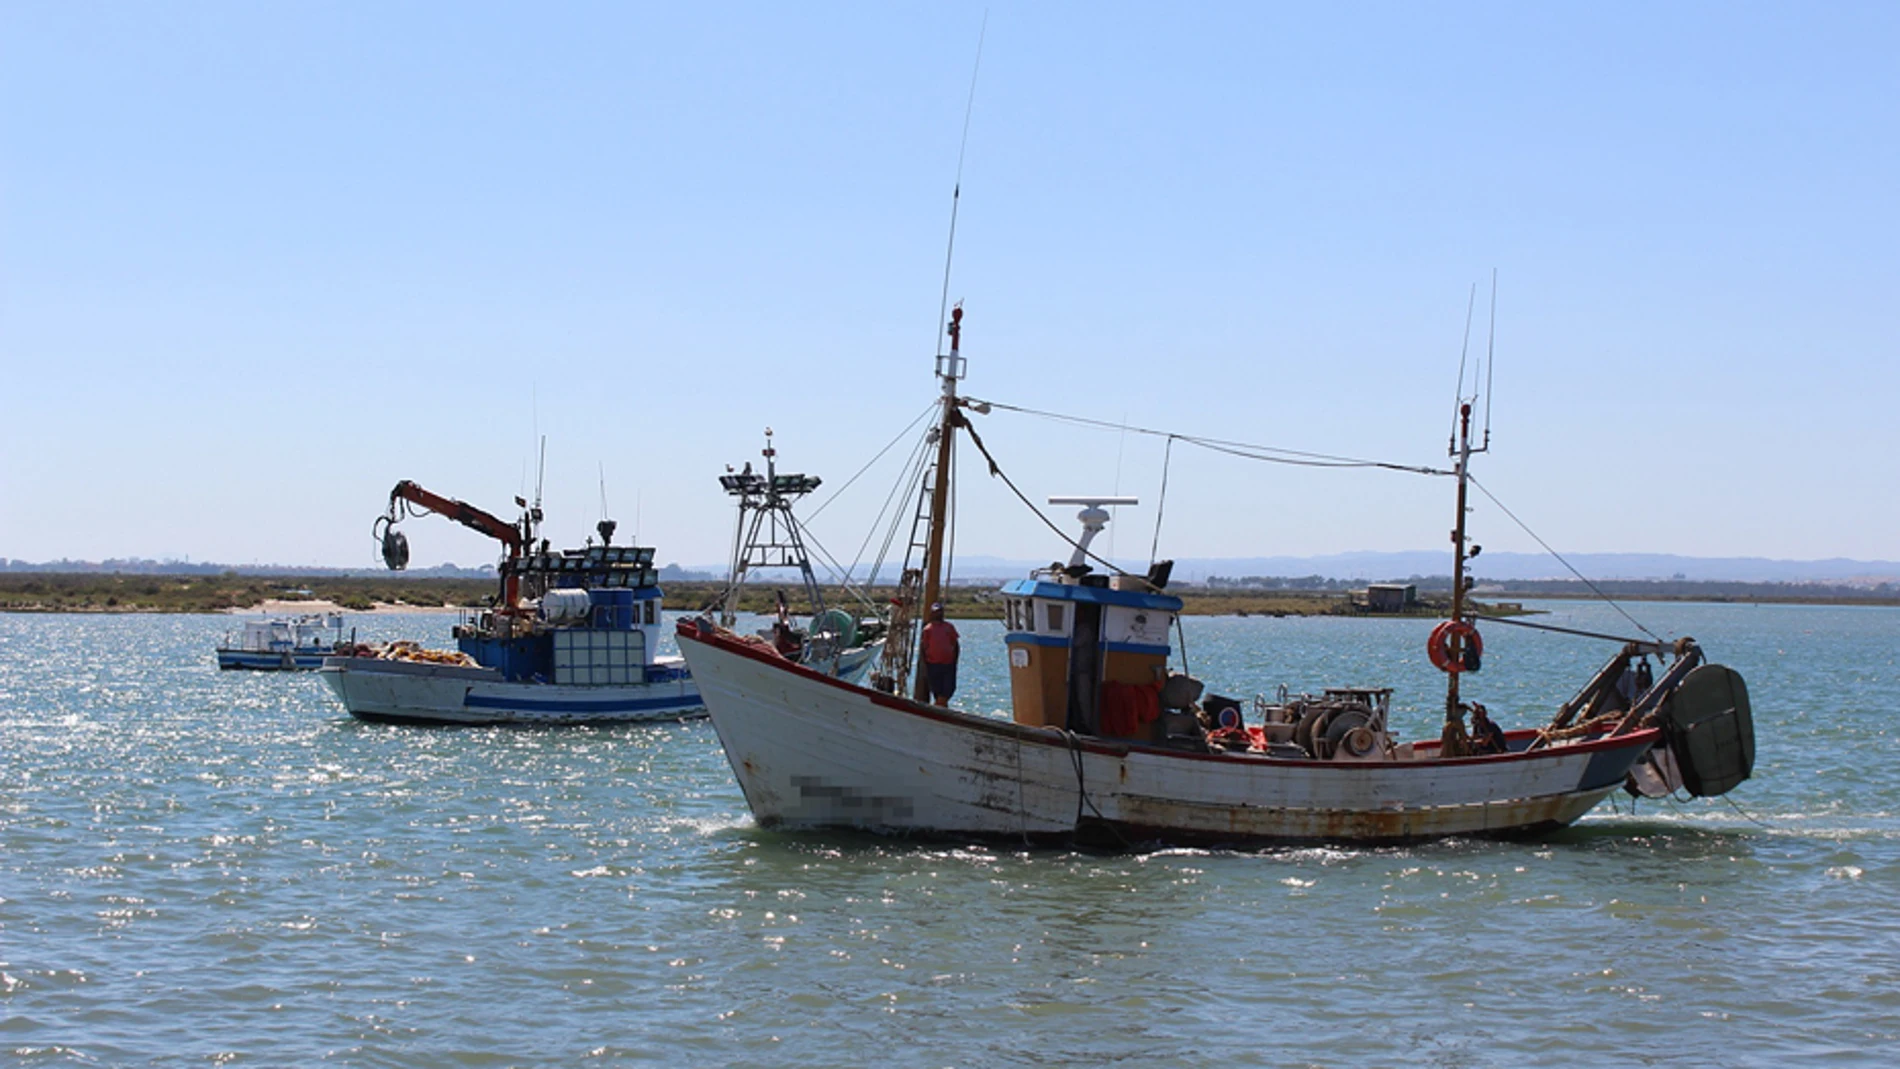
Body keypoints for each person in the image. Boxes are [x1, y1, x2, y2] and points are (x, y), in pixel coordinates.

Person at [921, 601, 960, 706]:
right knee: (937, 691)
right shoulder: (928, 629)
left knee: (948, 689)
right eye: (936, 612)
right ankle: (940, 709)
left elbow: (956, 645)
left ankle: (939, 708)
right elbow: (923, 648)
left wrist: (955, 661)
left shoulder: (949, 627)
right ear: (932, 613)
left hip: (948, 664)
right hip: (933, 664)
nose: (938, 614)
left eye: (940, 612)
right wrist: (925, 664)